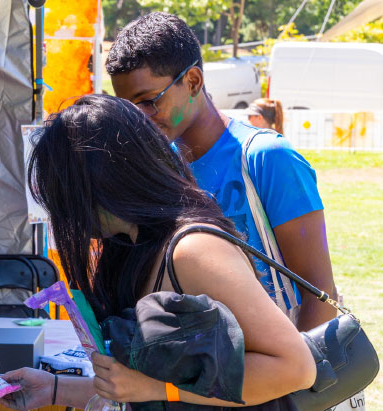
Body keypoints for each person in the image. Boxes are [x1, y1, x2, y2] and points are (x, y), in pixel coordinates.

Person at [0, 95, 346, 411]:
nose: (61, 210)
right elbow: (140, 388)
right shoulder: (134, 249)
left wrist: (153, 387)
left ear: (105, 182)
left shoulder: (193, 249)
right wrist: (53, 388)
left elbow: (293, 366)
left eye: (64, 192)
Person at [106, 12, 336, 332]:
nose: (139, 119)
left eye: (148, 101)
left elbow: (319, 296)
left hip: (282, 368)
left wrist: (296, 377)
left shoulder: (267, 159)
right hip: (202, 370)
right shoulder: (157, 168)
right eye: (128, 108)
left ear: (193, 82)